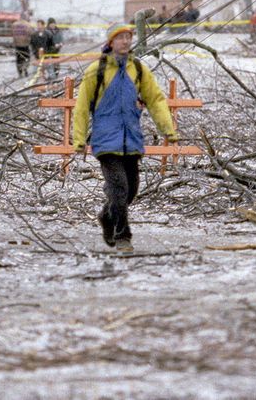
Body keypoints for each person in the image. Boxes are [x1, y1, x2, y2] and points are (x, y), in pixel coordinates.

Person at [72, 23, 178, 253]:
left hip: (131, 139)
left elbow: (156, 99)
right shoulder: (96, 70)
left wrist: (167, 129)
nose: (126, 41)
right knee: (119, 187)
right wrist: (79, 139)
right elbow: (81, 107)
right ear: (111, 42)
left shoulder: (138, 69)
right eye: (120, 37)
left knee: (131, 190)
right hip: (105, 140)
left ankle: (107, 216)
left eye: (128, 37)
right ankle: (123, 236)